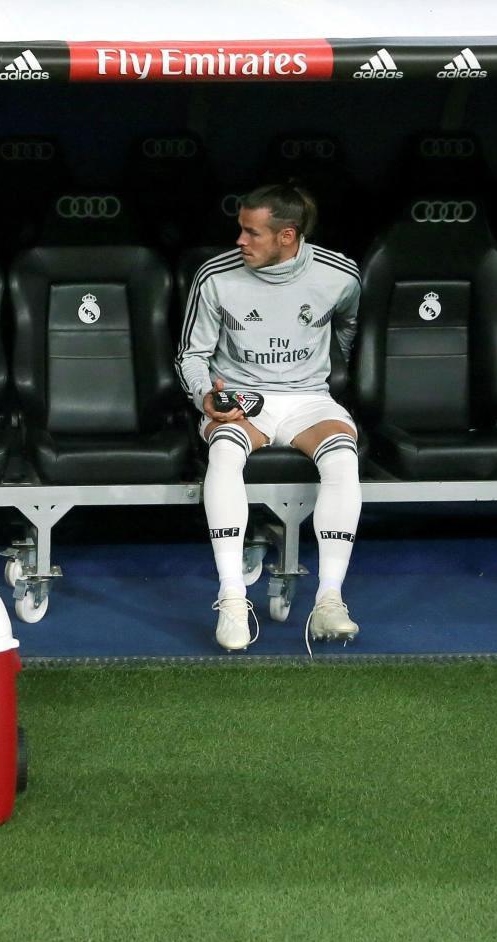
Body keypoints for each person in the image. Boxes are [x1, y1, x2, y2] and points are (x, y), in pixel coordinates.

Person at [175, 183, 363, 652]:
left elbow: (348, 335)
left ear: (287, 235)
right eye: (240, 229)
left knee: (342, 458)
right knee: (223, 452)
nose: (240, 240)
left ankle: (329, 600)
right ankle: (233, 600)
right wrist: (206, 398)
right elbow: (190, 355)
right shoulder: (215, 277)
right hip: (242, 398)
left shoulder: (340, 275)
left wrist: (330, 376)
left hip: (308, 399)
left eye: (251, 232)